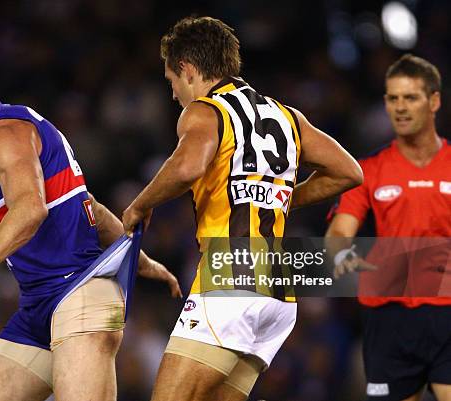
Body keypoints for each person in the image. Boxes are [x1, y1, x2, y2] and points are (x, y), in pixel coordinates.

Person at [121, 16, 363, 401]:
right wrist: (282, 197)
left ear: (187, 69)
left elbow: (187, 167)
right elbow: (349, 172)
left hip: (230, 276)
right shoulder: (287, 117)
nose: (173, 95)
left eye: (171, 82)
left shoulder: (204, 110)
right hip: (279, 291)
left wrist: (139, 204)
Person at [0, 52, 181, 401]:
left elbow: (30, 210)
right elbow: (93, 210)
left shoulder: (0, 134)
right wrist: (144, 262)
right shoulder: (18, 127)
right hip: (38, 310)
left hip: (78, 294)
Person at [326, 54, 451, 401]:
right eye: (393, 99)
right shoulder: (368, 171)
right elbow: (339, 233)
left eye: (410, 97)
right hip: (390, 318)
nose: (400, 107)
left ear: (434, 101)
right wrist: (342, 253)